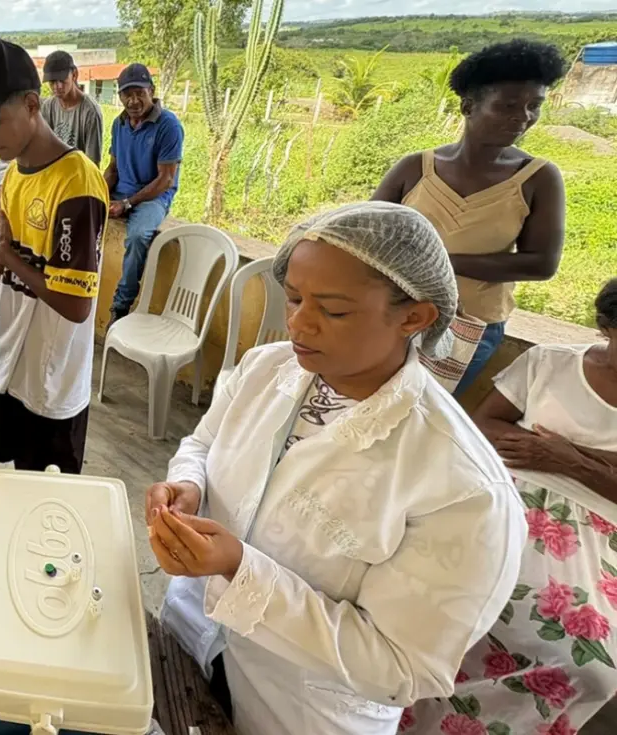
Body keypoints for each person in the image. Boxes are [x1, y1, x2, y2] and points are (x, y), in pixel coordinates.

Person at [150, 202, 525, 735]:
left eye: (334, 309)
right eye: (295, 297)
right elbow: (205, 442)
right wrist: (186, 483)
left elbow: (402, 665)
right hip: (188, 641)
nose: (298, 321)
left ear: (415, 317)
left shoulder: (461, 486)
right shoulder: (267, 369)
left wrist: (240, 569)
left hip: (299, 712)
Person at [404, 279, 617, 735]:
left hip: (603, 533)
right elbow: (480, 425)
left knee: (587, 662)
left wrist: (570, 459)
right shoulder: (550, 363)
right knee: (439, 592)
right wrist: (586, 460)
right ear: (606, 327)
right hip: (510, 493)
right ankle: (397, 715)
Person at [0, 37, 108, 475]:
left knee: (49, 492)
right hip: (12, 356)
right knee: (20, 472)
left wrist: (6, 257)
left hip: (51, 377)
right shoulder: (13, 173)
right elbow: (9, 255)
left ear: (33, 105)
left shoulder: (77, 184)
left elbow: (75, 304)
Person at [373, 39, 567, 395]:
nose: (523, 117)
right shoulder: (415, 168)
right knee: (363, 402)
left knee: (420, 414)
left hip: (470, 324)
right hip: (394, 312)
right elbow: (368, 235)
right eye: (507, 105)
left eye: (534, 105)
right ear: (468, 106)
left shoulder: (538, 178)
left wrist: (439, 262)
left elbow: (541, 264)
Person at [106, 63, 184, 323]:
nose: (134, 100)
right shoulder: (119, 124)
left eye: (140, 92)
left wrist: (127, 204)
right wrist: (97, 193)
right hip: (123, 191)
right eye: (127, 94)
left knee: (138, 237)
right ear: (120, 97)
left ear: (152, 91)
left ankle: (121, 306)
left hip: (153, 195)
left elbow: (166, 179)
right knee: (81, 214)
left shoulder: (168, 125)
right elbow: (113, 169)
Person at [40, 50, 105, 166]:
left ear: (74, 75)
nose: (57, 86)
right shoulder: (48, 107)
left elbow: (93, 163)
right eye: (52, 82)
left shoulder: (90, 112)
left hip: (79, 175)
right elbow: (43, 149)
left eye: (61, 80)